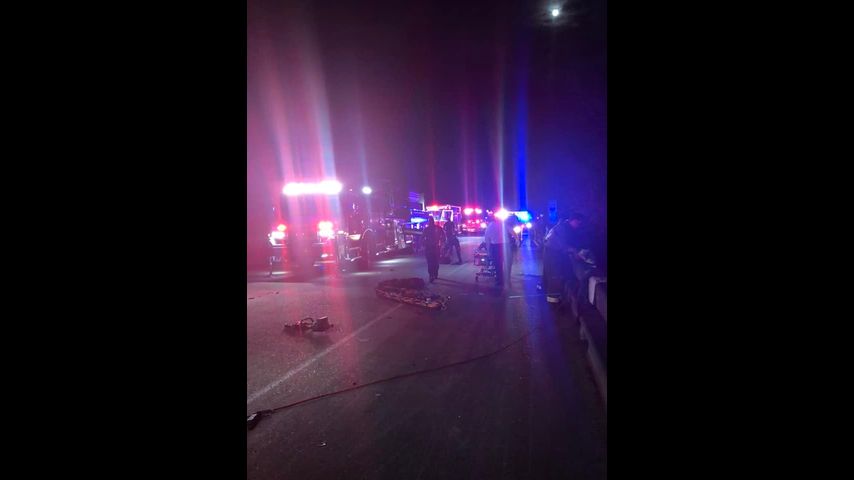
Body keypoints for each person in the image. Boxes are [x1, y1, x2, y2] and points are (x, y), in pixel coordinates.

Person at [542, 212, 591, 303]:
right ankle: (553, 299)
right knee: (555, 274)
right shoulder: (562, 229)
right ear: (573, 220)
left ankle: (557, 296)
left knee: (556, 273)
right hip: (552, 253)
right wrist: (574, 251)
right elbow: (562, 244)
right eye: (578, 223)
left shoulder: (565, 227)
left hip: (554, 252)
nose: (579, 225)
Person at [484, 216, 510, 287]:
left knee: (498, 265)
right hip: (505, 246)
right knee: (506, 264)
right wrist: (517, 240)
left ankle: (500, 281)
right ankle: (507, 279)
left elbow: (487, 240)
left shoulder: (489, 227)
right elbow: (512, 231)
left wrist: (488, 251)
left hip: (496, 247)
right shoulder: (503, 224)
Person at [423, 216, 446, 282]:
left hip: (430, 248)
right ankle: (434, 274)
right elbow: (444, 237)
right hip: (435, 248)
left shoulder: (427, 229)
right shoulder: (438, 228)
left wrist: (423, 244)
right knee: (435, 262)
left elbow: (422, 238)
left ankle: (432, 275)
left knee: (431, 262)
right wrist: (442, 243)